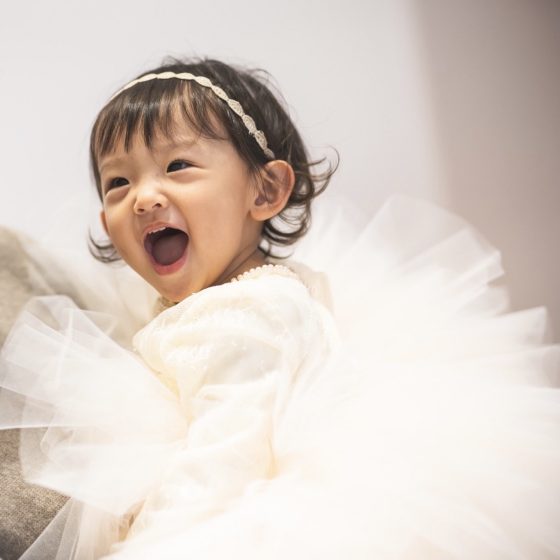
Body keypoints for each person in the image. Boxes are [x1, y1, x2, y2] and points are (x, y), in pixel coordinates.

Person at [1, 57, 559, 560]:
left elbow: (222, 462)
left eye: (178, 166)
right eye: (119, 182)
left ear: (265, 191)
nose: (144, 197)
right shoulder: (228, 298)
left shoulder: (249, 314)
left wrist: (145, 544)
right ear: (107, 223)